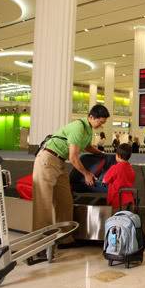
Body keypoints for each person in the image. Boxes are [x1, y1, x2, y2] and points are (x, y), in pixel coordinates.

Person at [33, 105, 110, 248]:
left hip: (59, 162)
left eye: (103, 122)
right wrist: (87, 174)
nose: (101, 125)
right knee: (43, 203)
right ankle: (41, 246)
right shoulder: (78, 127)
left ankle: (64, 239)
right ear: (91, 117)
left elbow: (86, 147)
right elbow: (73, 157)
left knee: (65, 201)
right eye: (100, 121)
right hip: (47, 160)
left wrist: (101, 154)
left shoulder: (87, 130)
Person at [103, 143, 136, 210]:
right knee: (128, 220)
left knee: (117, 219)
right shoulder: (131, 169)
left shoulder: (115, 168)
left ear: (118, 155)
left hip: (118, 201)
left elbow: (105, 180)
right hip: (130, 200)